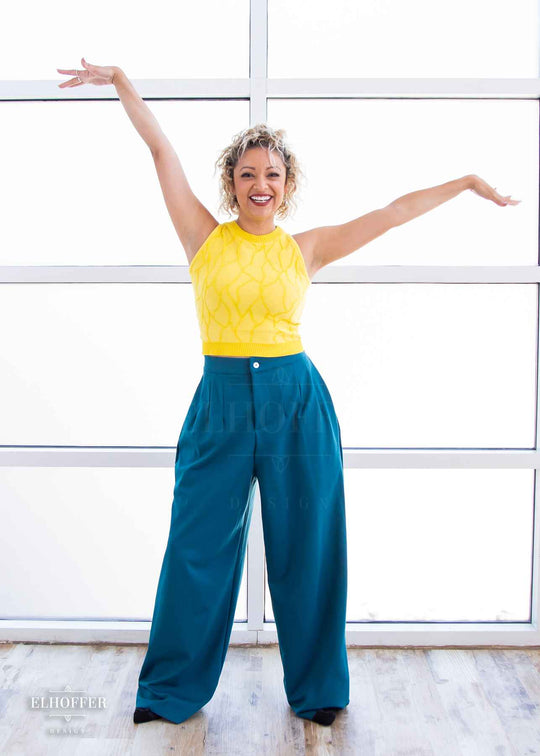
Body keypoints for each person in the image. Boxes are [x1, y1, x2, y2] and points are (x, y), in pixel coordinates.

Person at [57, 59, 521, 729]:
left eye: (271, 173)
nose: (260, 183)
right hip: (218, 404)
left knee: (308, 543)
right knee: (197, 546)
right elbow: (160, 147)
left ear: (287, 184)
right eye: (247, 173)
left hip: (295, 403)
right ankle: (169, 691)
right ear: (231, 184)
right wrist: (124, 83)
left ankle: (319, 689)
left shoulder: (307, 248)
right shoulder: (202, 238)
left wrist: (468, 182)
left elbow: (390, 215)